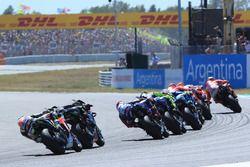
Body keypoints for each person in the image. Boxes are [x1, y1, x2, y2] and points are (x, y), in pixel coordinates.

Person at [17, 109, 81, 150]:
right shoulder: (24, 132)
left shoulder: (33, 117)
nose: (27, 126)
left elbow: (42, 113)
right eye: (25, 126)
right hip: (42, 136)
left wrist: (48, 111)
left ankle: (68, 133)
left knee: (57, 116)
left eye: (27, 124)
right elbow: (33, 139)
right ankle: (54, 144)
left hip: (46, 122)